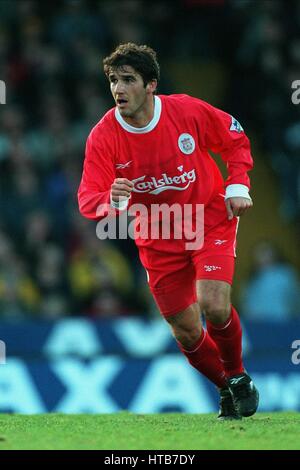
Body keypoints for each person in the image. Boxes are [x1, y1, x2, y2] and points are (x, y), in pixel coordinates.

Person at [78, 43, 259, 420]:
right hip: (158, 236)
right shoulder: (103, 135)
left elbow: (234, 138)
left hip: (208, 218)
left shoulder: (186, 111)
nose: (118, 89)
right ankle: (226, 387)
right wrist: (111, 202)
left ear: (151, 85)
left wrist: (238, 183)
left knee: (214, 304)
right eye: (113, 80)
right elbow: (88, 199)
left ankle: (239, 376)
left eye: (128, 80)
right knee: (186, 332)